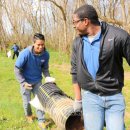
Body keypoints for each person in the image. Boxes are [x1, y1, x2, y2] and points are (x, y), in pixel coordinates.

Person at [71, 4, 130, 130]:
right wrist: (78, 99)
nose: (74, 25)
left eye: (75, 22)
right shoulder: (77, 43)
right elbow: (74, 71)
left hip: (113, 97)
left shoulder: (119, 36)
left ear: (85, 21)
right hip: (90, 98)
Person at [14, 33, 51, 130]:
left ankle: (41, 121)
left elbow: (45, 68)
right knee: (27, 102)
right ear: (34, 43)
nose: (40, 47)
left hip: (37, 81)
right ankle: (29, 115)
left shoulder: (46, 54)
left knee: (40, 101)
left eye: (42, 44)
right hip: (25, 82)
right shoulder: (25, 53)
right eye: (38, 44)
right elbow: (17, 69)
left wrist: (48, 78)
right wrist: (23, 82)